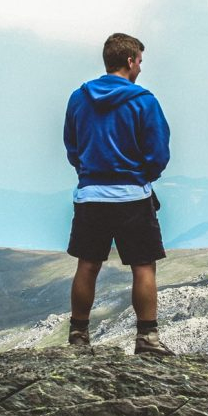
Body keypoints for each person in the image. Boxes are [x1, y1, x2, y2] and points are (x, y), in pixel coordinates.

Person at [63, 32, 174, 356]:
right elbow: (158, 152)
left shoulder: (78, 98)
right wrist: (142, 176)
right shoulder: (143, 101)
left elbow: (72, 145)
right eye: (139, 61)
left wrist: (88, 173)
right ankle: (147, 339)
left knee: (88, 264)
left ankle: (79, 336)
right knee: (143, 267)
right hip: (132, 196)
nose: (140, 67)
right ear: (129, 61)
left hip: (91, 195)